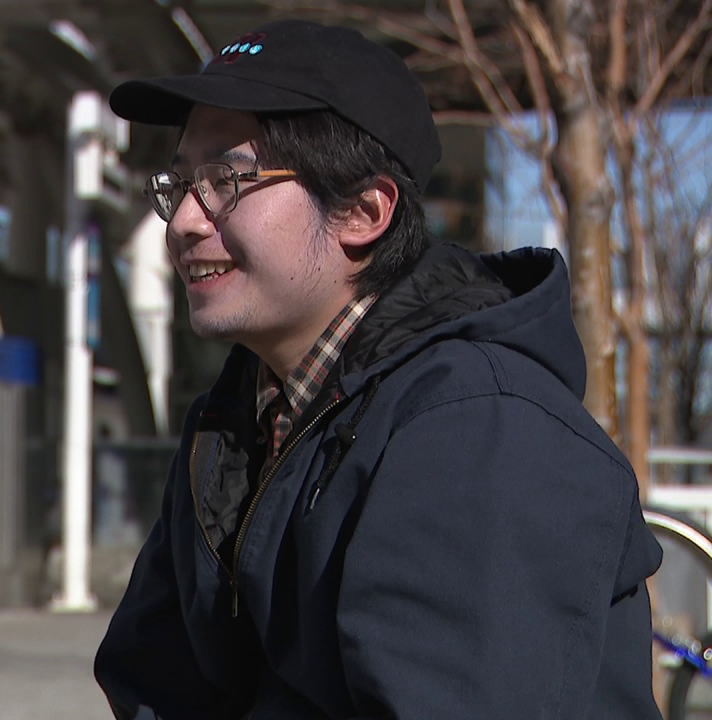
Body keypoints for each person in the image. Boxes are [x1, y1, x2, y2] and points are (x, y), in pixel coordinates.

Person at [93, 18, 662, 720]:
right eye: (178, 182)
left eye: (224, 180)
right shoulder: (236, 418)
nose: (182, 219)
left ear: (364, 211)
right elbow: (150, 680)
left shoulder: (479, 429)